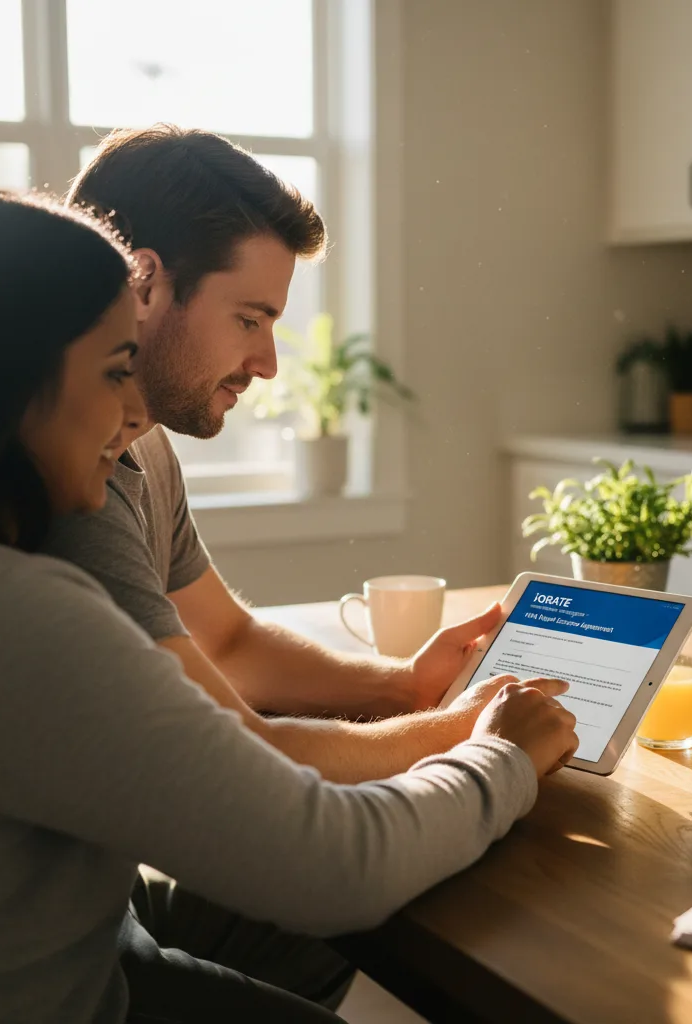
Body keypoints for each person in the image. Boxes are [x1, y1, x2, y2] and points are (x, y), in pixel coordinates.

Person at [0, 189, 578, 1024]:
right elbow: (330, 865)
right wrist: (498, 757)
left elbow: (228, 643)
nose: (134, 412)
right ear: (5, 382)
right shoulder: (4, 616)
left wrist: (405, 689)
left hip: (79, 936)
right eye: (114, 371)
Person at [44, 124, 549, 1011]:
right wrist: (477, 737)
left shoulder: (142, 443)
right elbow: (252, 756)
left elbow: (228, 642)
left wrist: (403, 685)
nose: (269, 364)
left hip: (103, 901)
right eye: (250, 320)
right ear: (146, 283)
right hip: (66, 963)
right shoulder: (75, 490)